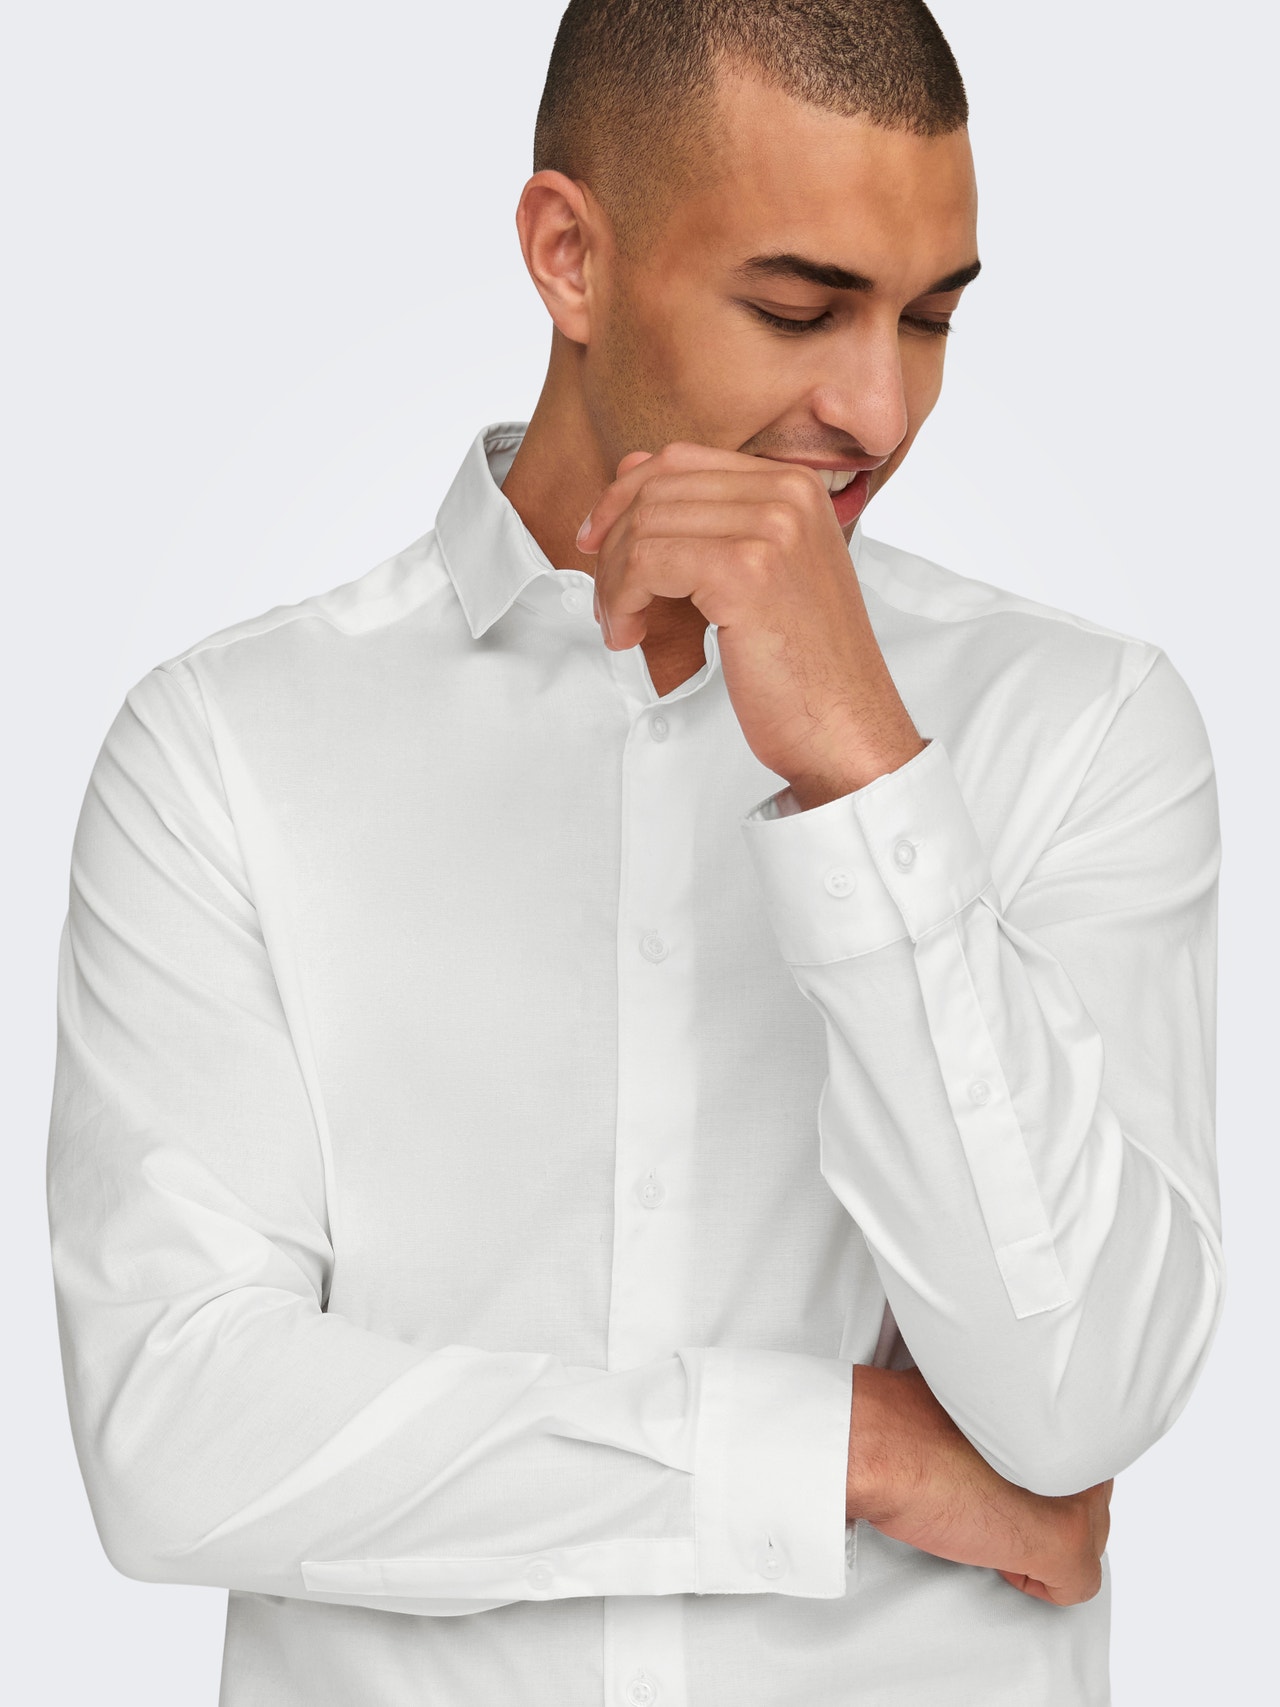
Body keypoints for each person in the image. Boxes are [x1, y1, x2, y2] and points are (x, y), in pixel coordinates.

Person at [45, 1, 1224, 1703]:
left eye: (931, 320)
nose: (879, 407)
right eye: (798, 309)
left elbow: (1077, 1399)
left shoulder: (1083, 728)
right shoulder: (225, 752)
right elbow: (172, 1440)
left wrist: (865, 776)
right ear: (569, 257)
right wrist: (838, 1454)